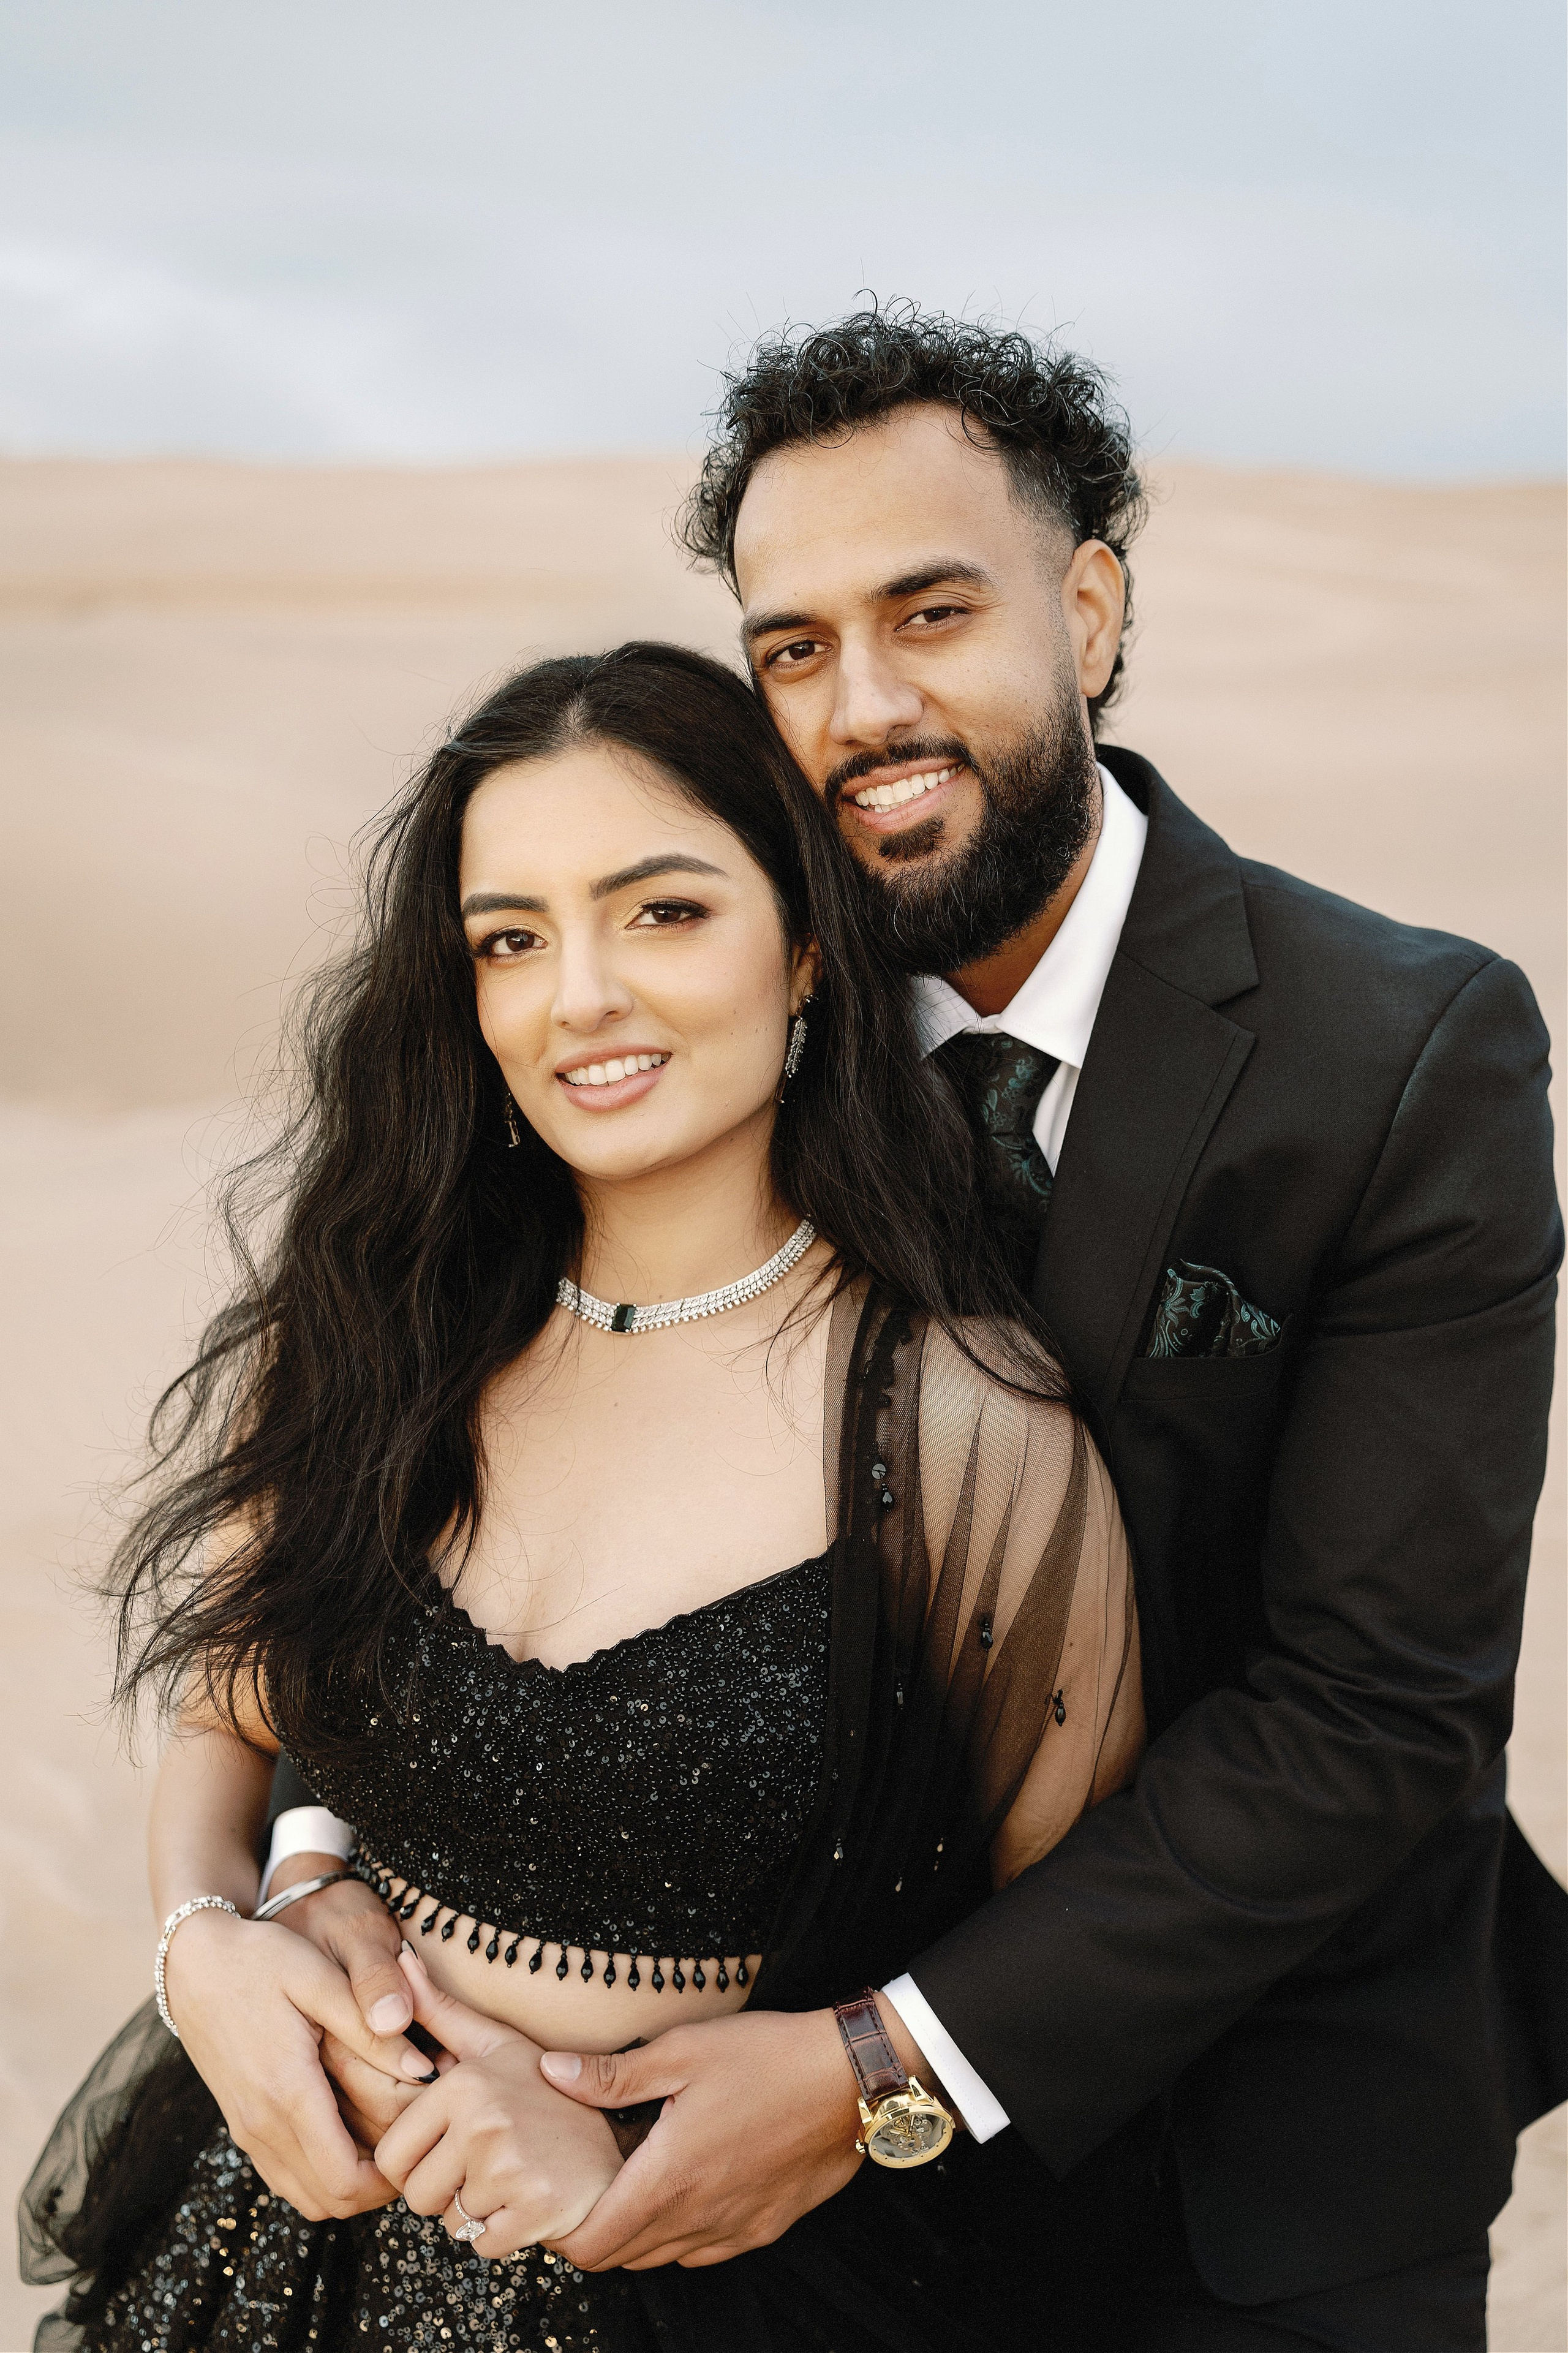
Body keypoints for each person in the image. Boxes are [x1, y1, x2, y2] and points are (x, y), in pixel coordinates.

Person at [266, 308, 1564, 2349]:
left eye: (932, 611)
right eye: (793, 647)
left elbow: (1377, 1715)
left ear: (1094, 606)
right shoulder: (713, 1000)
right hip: (764, 2199)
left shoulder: (1399, 1053)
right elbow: (464, 1489)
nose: (864, 706)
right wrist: (301, 1870)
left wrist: (889, 2060)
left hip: (1263, 2169)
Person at [22, 640, 1145, 2352]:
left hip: (734, 2298)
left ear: (811, 954)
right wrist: (206, 1945)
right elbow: (224, 1722)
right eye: (511, 938)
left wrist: (660, 2134)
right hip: (279, 2265)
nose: (581, 998)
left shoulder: (962, 1428)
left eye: (664, 912)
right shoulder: (376, 1329)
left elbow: (1062, 1961)